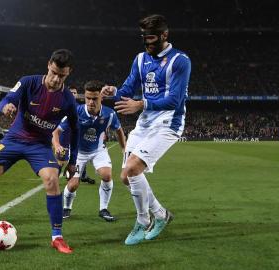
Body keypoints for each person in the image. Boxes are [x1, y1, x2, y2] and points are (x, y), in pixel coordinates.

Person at [0, 49, 79, 254]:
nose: (56, 79)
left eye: (61, 75)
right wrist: (7, 106)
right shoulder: (28, 82)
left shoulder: (67, 99)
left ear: (69, 72)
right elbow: (7, 99)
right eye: (54, 72)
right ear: (48, 65)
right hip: (13, 140)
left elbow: (76, 130)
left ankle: (57, 237)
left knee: (52, 180)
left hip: (39, 145)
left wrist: (72, 161)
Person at [101, 14, 191, 245]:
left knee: (131, 169)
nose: (147, 44)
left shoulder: (180, 61)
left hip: (168, 122)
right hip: (145, 122)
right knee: (125, 177)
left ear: (164, 35)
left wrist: (141, 104)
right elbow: (128, 88)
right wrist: (114, 91)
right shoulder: (140, 59)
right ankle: (161, 215)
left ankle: (143, 221)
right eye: (144, 39)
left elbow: (176, 100)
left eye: (151, 39)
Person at [55, 80, 126, 221]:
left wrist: (124, 148)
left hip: (98, 150)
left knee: (106, 175)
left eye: (95, 98)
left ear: (101, 97)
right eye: (88, 98)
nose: (91, 102)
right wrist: (57, 145)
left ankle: (103, 209)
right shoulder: (75, 112)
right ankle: (66, 208)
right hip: (77, 152)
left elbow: (118, 130)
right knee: (73, 184)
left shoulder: (109, 114)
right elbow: (56, 131)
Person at [52, 85, 96, 185]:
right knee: (61, 160)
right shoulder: (60, 105)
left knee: (79, 157)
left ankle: (81, 176)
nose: (73, 94)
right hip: (64, 135)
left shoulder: (80, 108)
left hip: (76, 136)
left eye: (75, 93)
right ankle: (55, 178)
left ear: (77, 95)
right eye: (71, 92)